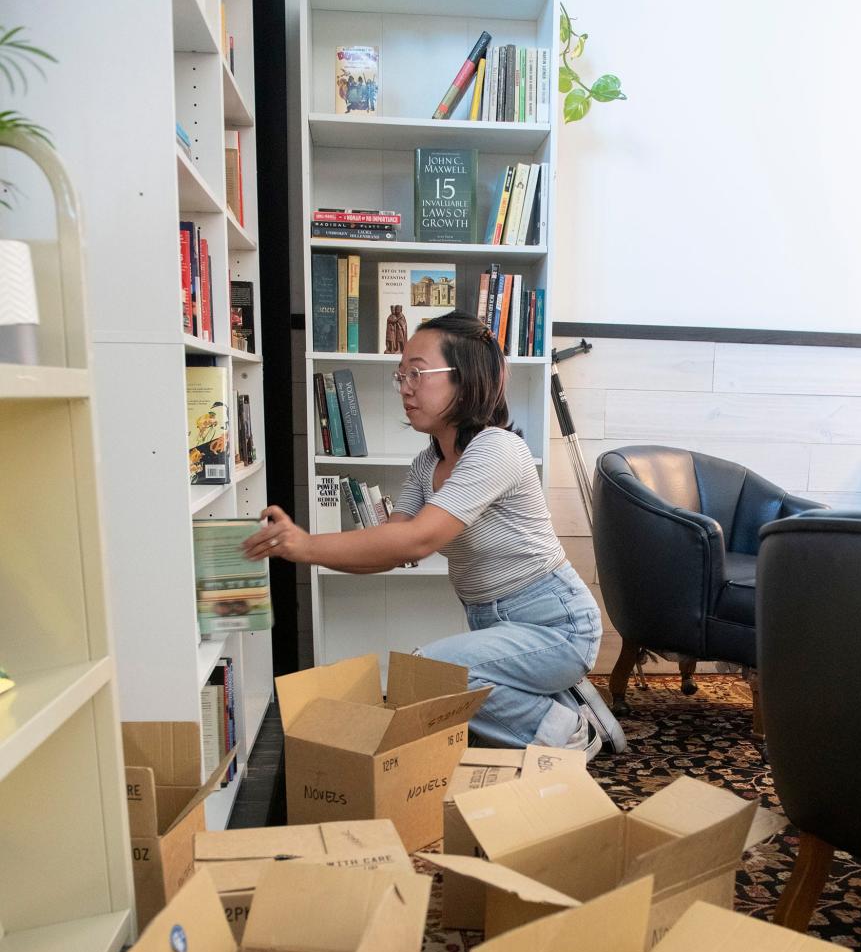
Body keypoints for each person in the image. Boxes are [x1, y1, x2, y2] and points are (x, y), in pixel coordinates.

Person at [243, 309, 626, 758]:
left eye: (418, 374)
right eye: (400, 374)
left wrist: (305, 544)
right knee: (442, 684)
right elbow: (389, 550)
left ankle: (572, 730)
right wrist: (299, 551)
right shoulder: (427, 466)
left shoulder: (497, 449)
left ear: (466, 379)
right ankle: (562, 702)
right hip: (493, 620)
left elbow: (417, 540)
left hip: (556, 625)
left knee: (429, 672)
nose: (404, 386)